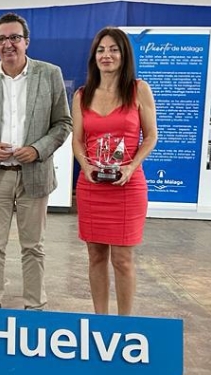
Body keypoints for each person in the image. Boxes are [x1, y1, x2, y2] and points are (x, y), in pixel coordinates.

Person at [0, 13, 72, 310]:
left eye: (14, 37)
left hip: (34, 174)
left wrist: (38, 149)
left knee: (33, 247)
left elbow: (63, 123)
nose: (8, 44)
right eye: (2, 38)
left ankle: (35, 307)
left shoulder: (49, 74)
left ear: (26, 41)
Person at [71, 27, 157, 315]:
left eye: (113, 49)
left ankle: (124, 325)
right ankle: (101, 321)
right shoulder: (82, 95)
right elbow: (78, 140)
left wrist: (132, 167)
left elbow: (151, 136)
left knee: (123, 259)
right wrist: (86, 165)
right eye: (101, 50)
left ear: (124, 55)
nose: (106, 55)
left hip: (127, 185)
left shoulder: (139, 89)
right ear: (94, 56)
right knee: (95, 255)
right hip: (91, 185)